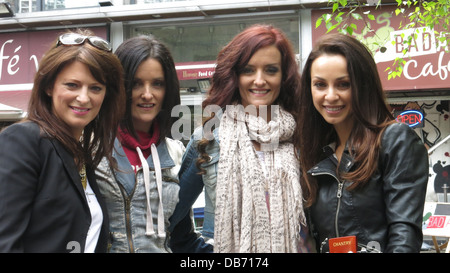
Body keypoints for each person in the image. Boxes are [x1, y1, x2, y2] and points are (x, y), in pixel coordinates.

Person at [169, 24, 309, 253]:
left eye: (271, 70)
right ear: (234, 75)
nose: (260, 80)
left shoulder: (301, 135)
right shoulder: (208, 138)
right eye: (248, 70)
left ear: (284, 76)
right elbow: (173, 216)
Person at [295, 33, 428, 253]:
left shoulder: (395, 140)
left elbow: (404, 235)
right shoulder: (314, 153)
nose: (330, 96)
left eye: (343, 84)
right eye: (320, 84)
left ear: (363, 85)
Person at [0, 29, 125, 252]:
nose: (84, 98)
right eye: (72, 85)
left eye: (95, 88)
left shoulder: (79, 153)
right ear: (49, 86)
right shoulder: (23, 140)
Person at [95, 35, 209, 253]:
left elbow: (182, 239)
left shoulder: (176, 152)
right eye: (136, 83)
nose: (147, 94)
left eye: (157, 84)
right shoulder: (90, 149)